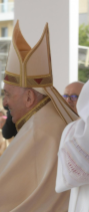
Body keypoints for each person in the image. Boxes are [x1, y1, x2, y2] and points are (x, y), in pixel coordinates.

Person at [0, 21, 78, 211]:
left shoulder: (39, 129)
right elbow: (21, 183)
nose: (4, 103)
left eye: (7, 94)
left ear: (29, 97)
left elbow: (12, 192)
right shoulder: (49, 119)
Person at [56, 80, 89, 211]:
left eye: (75, 96)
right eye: (65, 96)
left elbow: (69, 177)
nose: (69, 100)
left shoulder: (75, 131)